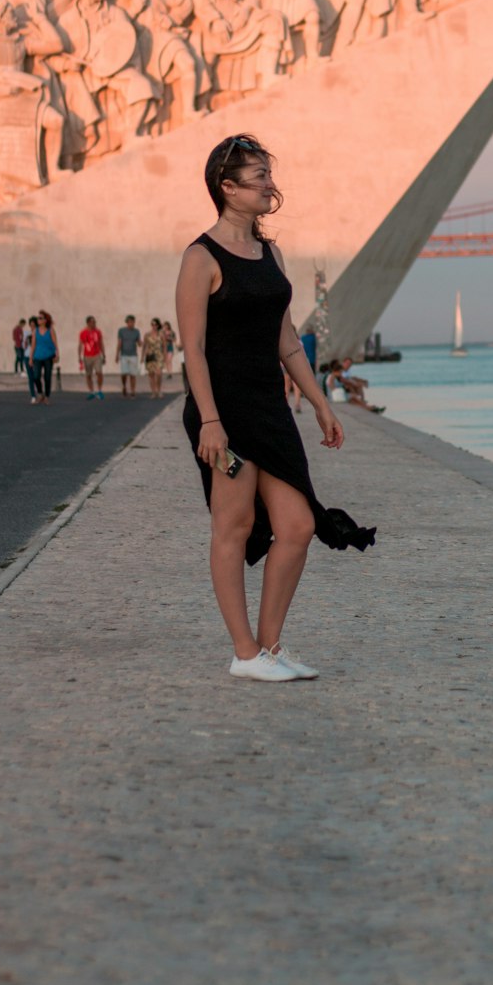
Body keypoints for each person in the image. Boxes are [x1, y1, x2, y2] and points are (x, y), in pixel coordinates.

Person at [176, 133, 375, 684]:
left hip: (269, 407)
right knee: (233, 525)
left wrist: (320, 404)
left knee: (297, 524)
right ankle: (244, 652)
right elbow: (192, 348)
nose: (270, 184)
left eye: (268, 173)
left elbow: (287, 340)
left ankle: (269, 647)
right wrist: (210, 421)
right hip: (224, 411)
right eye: (258, 176)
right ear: (227, 188)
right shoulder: (201, 257)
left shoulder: (271, 253)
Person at [28, 309, 58, 404]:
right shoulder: (35, 331)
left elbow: (55, 343)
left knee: (47, 377)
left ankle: (47, 397)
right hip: (37, 357)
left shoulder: (50, 330)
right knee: (36, 376)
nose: (38, 320)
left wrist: (57, 354)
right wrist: (31, 358)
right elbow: (33, 345)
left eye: (40, 318)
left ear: (45, 320)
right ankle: (40, 393)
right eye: (38, 318)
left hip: (48, 357)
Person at [78, 315, 106, 400]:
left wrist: (104, 354)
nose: (94, 324)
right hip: (87, 356)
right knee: (88, 375)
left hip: (96, 355)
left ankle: (100, 390)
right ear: (88, 323)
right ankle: (91, 391)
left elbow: (101, 343)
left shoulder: (98, 332)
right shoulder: (83, 333)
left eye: (95, 322)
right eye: (92, 322)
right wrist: (79, 356)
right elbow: (80, 345)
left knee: (99, 372)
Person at [116, 314, 141, 397]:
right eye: (129, 322)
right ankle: (124, 386)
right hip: (124, 355)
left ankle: (133, 390)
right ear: (127, 322)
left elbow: (139, 342)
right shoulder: (121, 331)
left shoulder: (136, 331)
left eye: (133, 322)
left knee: (133, 374)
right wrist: (117, 354)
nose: (131, 324)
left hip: (133, 355)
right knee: (124, 373)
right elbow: (119, 343)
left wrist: (141, 343)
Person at [142, 317, 166, 399]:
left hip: (159, 355)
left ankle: (158, 390)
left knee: (159, 373)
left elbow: (164, 346)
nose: (153, 326)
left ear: (158, 325)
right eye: (152, 324)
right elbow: (144, 346)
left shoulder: (161, 334)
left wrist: (165, 357)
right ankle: (153, 392)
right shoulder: (147, 335)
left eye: (155, 324)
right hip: (150, 355)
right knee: (151, 374)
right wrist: (142, 356)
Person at [23, 315, 39, 402]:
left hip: (36, 357)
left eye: (34, 325)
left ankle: (39, 392)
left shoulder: (39, 334)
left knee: (37, 376)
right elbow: (24, 346)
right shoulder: (26, 333)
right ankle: (33, 395)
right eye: (31, 325)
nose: (32, 327)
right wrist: (25, 341)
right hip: (27, 356)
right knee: (31, 377)